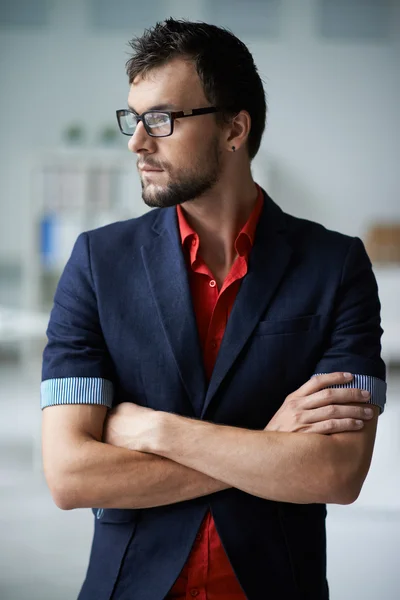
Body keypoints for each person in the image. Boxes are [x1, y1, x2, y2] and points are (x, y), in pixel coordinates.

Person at [41, 18, 386, 600]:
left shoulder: (337, 266)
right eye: (134, 117)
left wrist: (154, 429)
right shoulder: (98, 263)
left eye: (163, 119)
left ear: (235, 128)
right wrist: (267, 448)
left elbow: (337, 472)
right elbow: (72, 475)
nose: (137, 142)